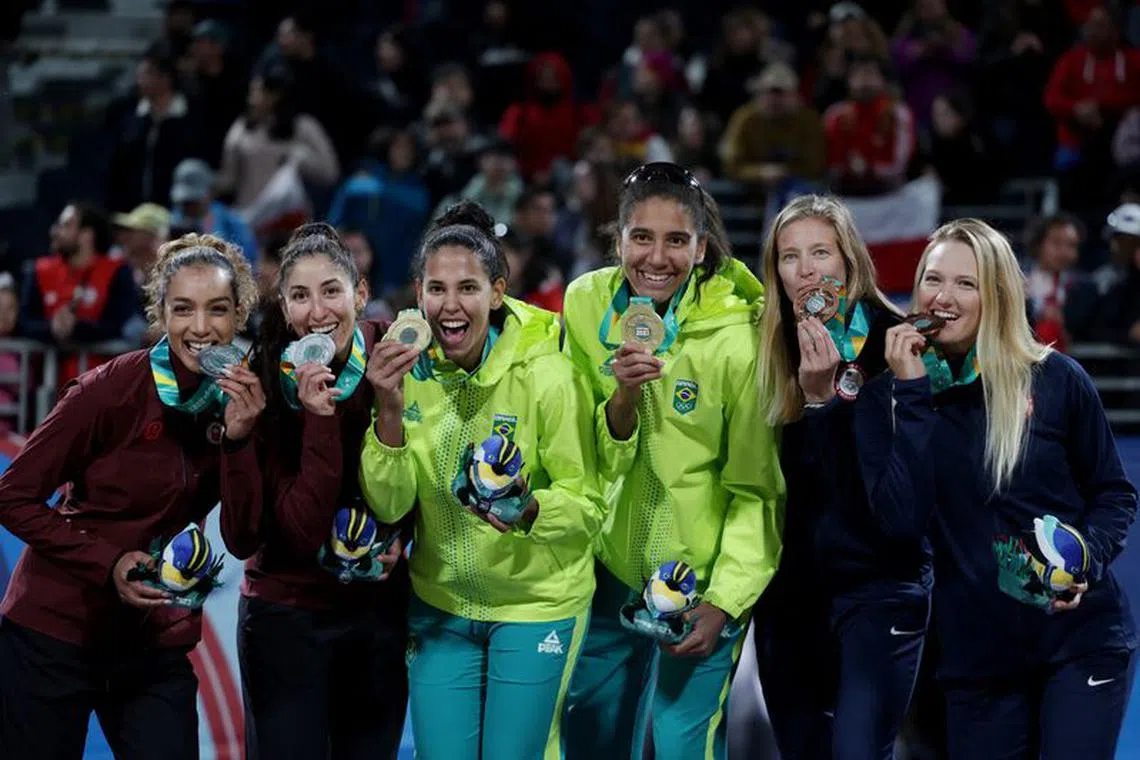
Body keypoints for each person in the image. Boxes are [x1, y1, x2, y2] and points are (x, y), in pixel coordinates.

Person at [868, 219, 1137, 759]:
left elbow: (1113, 493)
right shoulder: (898, 395)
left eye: (966, 284)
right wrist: (911, 395)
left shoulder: (1058, 380)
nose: (943, 297)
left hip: (1079, 642)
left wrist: (1086, 556)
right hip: (976, 660)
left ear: (998, 294)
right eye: (933, 279)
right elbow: (899, 521)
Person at [0, 232, 263, 758]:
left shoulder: (244, 401)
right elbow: (12, 495)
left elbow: (243, 536)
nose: (201, 328)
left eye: (218, 310)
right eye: (183, 309)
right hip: (55, 632)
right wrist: (109, 562)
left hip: (153, 641)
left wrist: (239, 441)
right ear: (160, 313)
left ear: (239, 316)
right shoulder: (108, 390)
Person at [359, 201, 604, 759]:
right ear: (418, 294)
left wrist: (532, 509)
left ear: (497, 292)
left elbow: (587, 505)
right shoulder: (405, 373)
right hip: (440, 607)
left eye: (468, 288)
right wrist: (389, 411)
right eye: (437, 289)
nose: (451, 305)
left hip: (535, 606)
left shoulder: (549, 372)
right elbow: (390, 504)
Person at [561, 162, 784, 760]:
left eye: (676, 240)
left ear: (701, 246)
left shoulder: (739, 338)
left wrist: (725, 600)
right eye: (641, 237)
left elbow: (756, 489)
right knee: (589, 738)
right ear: (618, 241)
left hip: (699, 583)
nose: (656, 258)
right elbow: (576, 450)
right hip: (608, 573)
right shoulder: (584, 306)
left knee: (682, 749)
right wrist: (623, 401)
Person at [753, 195, 931, 760]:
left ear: (849, 262)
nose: (806, 270)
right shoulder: (760, 348)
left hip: (878, 585)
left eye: (821, 252)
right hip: (790, 594)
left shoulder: (896, 345)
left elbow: (901, 494)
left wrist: (824, 400)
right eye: (789, 257)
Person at [227, 223, 408, 759]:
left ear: (361, 294)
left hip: (376, 613)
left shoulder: (393, 353)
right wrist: (319, 419)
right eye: (300, 297)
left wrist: (405, 533)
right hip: (286, 614)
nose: (318, 312)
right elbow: (301, 530)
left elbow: (430, 460)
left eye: (332, 291)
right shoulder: (259, 378)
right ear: (283, 308)